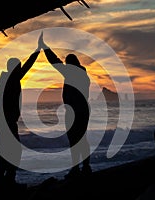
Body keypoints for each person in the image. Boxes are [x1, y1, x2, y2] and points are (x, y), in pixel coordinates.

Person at [38, 32, 92, 178]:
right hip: (84, 109)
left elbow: (55, 61)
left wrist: (44, 47)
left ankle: (76, 169)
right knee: (82, 138)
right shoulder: (83, 74)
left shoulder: (71, 73)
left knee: (74, 139)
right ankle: (86, 167)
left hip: (74, 110)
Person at [0, 40, 41, 195]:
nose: (21, 70)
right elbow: (27, 67)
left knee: (6, 151)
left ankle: (3, 182)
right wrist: (37, 51)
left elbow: (25, 68)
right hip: (7, 121)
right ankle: (6, 181)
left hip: (4, 120)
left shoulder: (6, 79)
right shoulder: (10, 79)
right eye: (18, 68)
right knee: (14, 151)